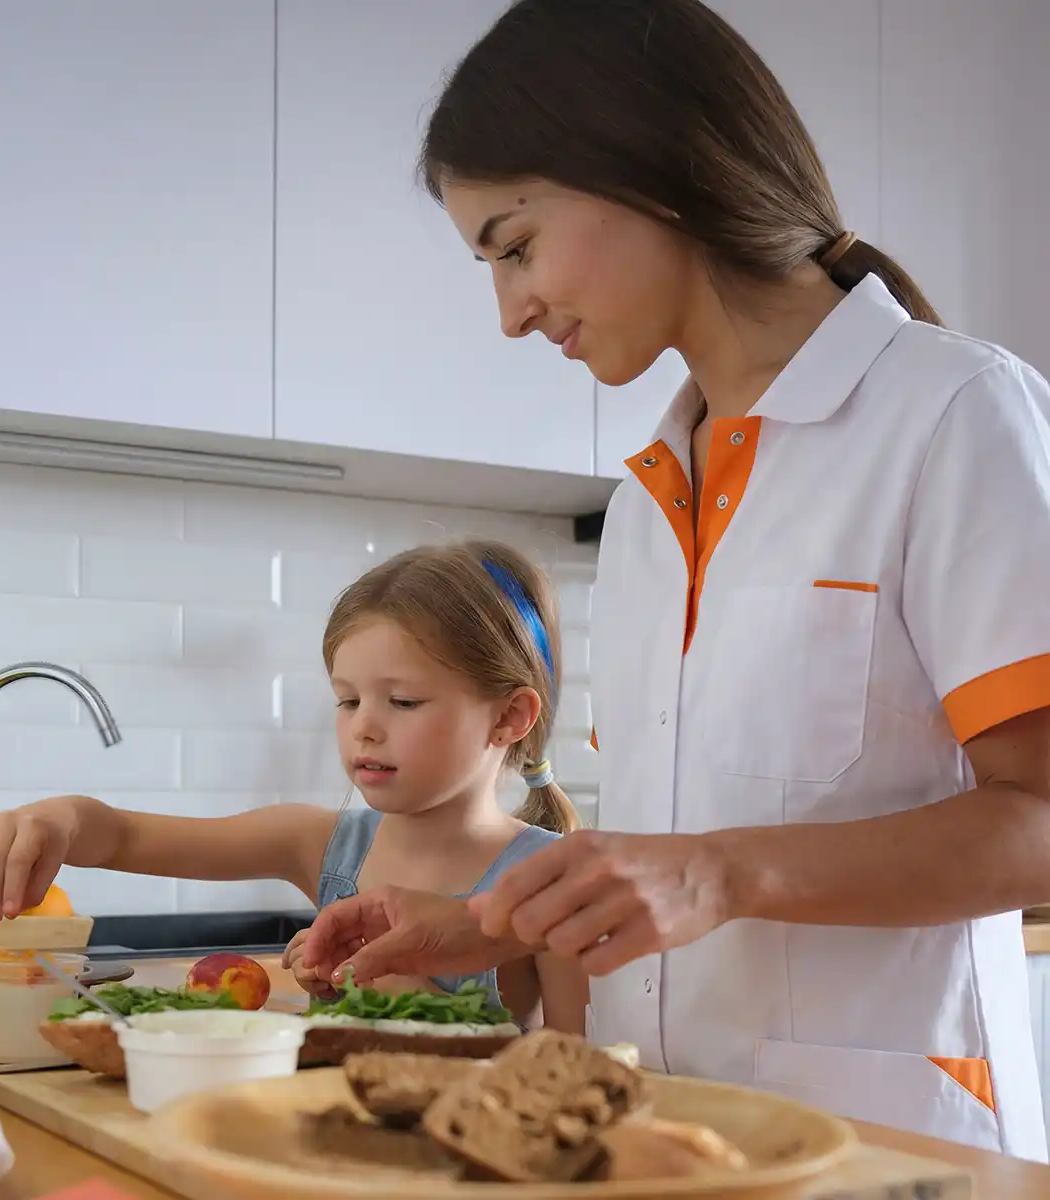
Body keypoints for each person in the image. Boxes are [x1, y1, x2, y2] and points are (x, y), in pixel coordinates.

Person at [301, 0, 1050, 1160]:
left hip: (893, 1142)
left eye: (514, 245)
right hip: (671, 1134)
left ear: (647, 170)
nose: (510, 313)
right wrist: (495, 922)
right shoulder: (650, 499)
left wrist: (722, 873)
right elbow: (672, 853)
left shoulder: (956, 414)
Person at [0, 540, 589, 1033]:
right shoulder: (319, 843)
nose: (364, 728)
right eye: (347, 701)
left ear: (508, 717)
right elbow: (126, 837)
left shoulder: (552, 881)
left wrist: (404, 994)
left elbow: (579, 1075)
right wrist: (60, 819)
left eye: (403, 701)